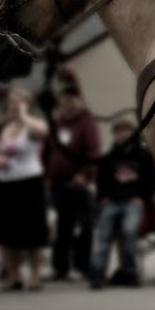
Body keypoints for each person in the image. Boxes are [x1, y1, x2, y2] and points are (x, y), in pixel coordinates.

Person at [41, 70, 102, 281]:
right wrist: (46, 173)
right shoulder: (56, 124)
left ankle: (82, 265)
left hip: (79, 185)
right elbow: (46, 151)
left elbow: (93, 152)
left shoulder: (87, 123)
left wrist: (84, 175)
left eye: (72, 98)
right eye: (64, 99)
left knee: (83, 227)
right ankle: (60, 268)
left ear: (78, 100)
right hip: (57, 185)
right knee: (62, 227)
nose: (68, 103)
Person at [88, 117, 155, 289]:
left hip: (133, 202)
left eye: (126, 131)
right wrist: (103, 198)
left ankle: (130, 272)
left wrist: (143, 198)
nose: (122, 135)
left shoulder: (144, 157)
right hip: (112, 202)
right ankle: (98, 273)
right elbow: (101, 182)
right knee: (104, 235)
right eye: (118, 132)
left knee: (129, 230)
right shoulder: (108, 158)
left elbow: (150, 181)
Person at [0, 88, 49, 291]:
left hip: (29, 182)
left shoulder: (33, 124)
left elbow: (42, 133)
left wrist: (23, 115)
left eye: (18, 101)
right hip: (7, 183)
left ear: (27, 104)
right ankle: (13, 275)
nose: (14, 104)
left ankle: (35, 275)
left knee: (33, 231)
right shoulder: (6, 129)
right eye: (11, 101)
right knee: (8, 231)